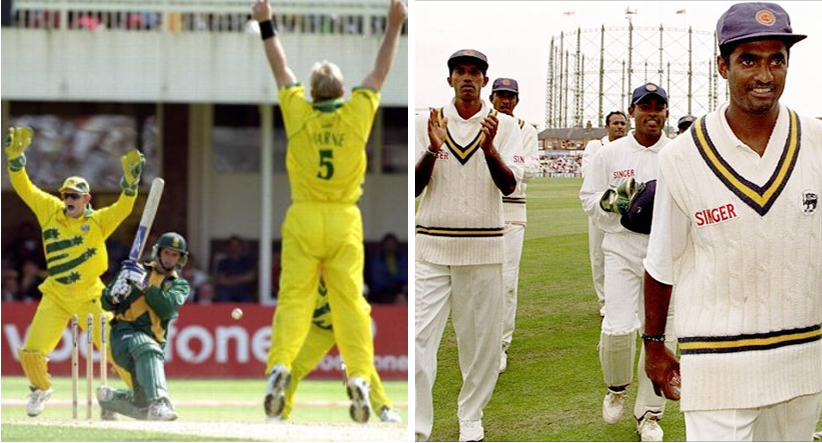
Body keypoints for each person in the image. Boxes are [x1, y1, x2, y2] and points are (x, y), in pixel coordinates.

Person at [643, 3, 822, 441]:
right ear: (722, 66)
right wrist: (653, 346)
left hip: (801, 354)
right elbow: (661, 262)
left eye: (776, 59)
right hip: (717, 360)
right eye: (749, 60)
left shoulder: (817, 141)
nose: (764, 75)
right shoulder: (682, 157)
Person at [251, 0, 407, 423]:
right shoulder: (356, 113)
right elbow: (379, 72)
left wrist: (266, 22)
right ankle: (358, 375)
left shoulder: (297, 110)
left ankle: (280, 365)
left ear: (312, 92)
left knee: (293, 301)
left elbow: (280, 68)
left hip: (302, 215)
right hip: (343, 217)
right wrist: (394, 25)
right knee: (351, 305)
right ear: (341, 92)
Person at [415, 49, 524, 442]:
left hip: (483, 248)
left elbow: (510, 185)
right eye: (459, 71)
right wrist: (431, 147)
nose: (466, 78)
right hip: (430, 247)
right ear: (449, 80)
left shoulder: (505, 126)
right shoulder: (426, 122)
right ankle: (416, 428)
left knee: (480, 345)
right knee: (417, 342)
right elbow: (412, 188)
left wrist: (490, 148)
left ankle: (471, 418)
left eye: (474, 72)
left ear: (484, 81)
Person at [5, 126, 144, 417]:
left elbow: (123, 208)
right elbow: (26, 188)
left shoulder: (98, 222)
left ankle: (139, 396)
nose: (69, 199)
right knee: (31, 352)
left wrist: (130, 187)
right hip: (55, 294)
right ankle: (40, 389)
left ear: (86, 199)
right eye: (66, 194)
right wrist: (16, 162)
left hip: (89, 296)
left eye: (75, 195)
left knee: (115, 348)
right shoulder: (49, 210)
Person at [579, 83, 674, 442]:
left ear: (666, 112)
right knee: (617, 328)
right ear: (632, 111)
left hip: (664, 253)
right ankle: (616, 388)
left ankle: (649, 415)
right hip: (620, 247)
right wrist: (622, 202)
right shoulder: (611, 153)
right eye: (644, 106)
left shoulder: (678, 153)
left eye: (658, 107)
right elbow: (588, 199)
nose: (652, 112)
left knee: (662, 334)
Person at [280, 278, 402, 423]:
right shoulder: (304, 281)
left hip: (349, 323)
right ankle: (281, 413)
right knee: (293, 366)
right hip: (321, 328)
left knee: (361, 365)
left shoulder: (341, 275)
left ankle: (383, 408)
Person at [97, 232, 190, 421]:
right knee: (145, 345)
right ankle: (160, 403)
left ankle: (111, 399)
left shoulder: (179, 285)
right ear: (158, 252)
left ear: (181, 259)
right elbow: (106, 304)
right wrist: (114, 294)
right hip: (123, 336)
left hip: (153, 348)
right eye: (167, 253)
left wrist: (144, 285)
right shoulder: (135, 271)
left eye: (175, 255)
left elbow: (166, 308)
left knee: (141, 406)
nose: (169, 258)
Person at [488, 77, 540, 374]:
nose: (505, 100)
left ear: (516, 101)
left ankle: (500, 346)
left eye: (510, 96)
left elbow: (530, 169)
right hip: (480, 210)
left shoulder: (526, 130)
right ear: (492, 97)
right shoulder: (479, 124)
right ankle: (481, 342)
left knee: (506, 282)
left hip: (512, 210)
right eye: (500, 95)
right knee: (479, 283)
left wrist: (503, 166)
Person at [581, 111, 628, 317]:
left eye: (622, 123)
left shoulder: (629, 147)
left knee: (625, 255)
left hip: (625, 211)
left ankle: (626, 300)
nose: (619, 127)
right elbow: (589, 175)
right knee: (598, 256)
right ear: (607, 127)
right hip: (601, 208)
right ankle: (605, 301)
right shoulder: (595, 146)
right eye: (615, 123)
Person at [367, 233, 408, 304]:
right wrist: (394, 281)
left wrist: (397, 283)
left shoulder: (404, 258)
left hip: (400, 289)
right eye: (388, 244)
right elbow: (377, 279)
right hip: (382, 291)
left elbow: (407, 275)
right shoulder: (376, 260)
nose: (390, 246)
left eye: (392, 244)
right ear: (383, 245)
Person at [214, 235, 257, 302]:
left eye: (237, 246)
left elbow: (251, 277)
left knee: (248, 299)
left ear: (241, 247)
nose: (235, 248)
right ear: (228, 247)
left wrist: (231, 278)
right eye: (232, 245)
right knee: (222, 296)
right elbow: (221, 280)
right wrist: (242, 278)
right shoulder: (223, 262)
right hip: (227, 290)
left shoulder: (247, 261)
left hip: (244, 289)